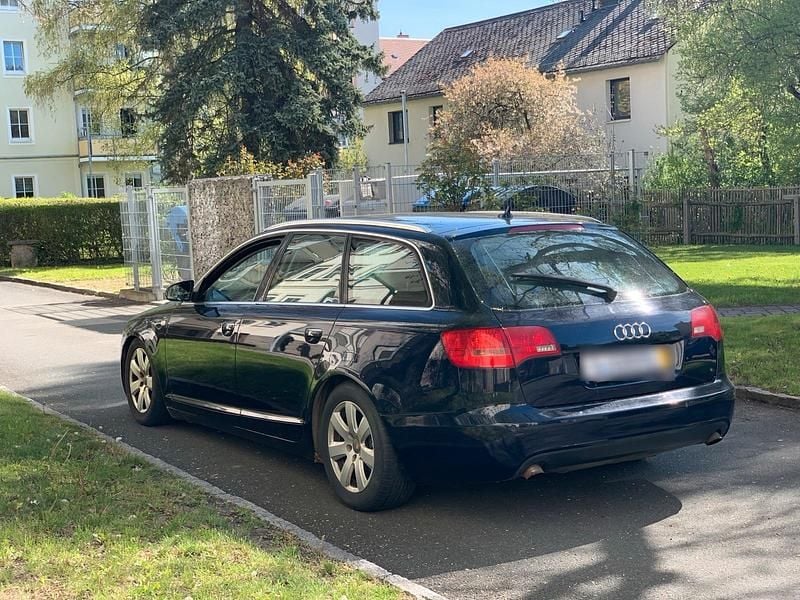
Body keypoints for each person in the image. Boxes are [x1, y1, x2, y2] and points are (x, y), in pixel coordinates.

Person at [165, 204, 192, 280]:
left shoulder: (180, 214)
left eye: (185, 226)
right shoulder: (178, 238)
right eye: (183, 226)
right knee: (184, 266)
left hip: (185, 250)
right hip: (182, 251)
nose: (185, 228)